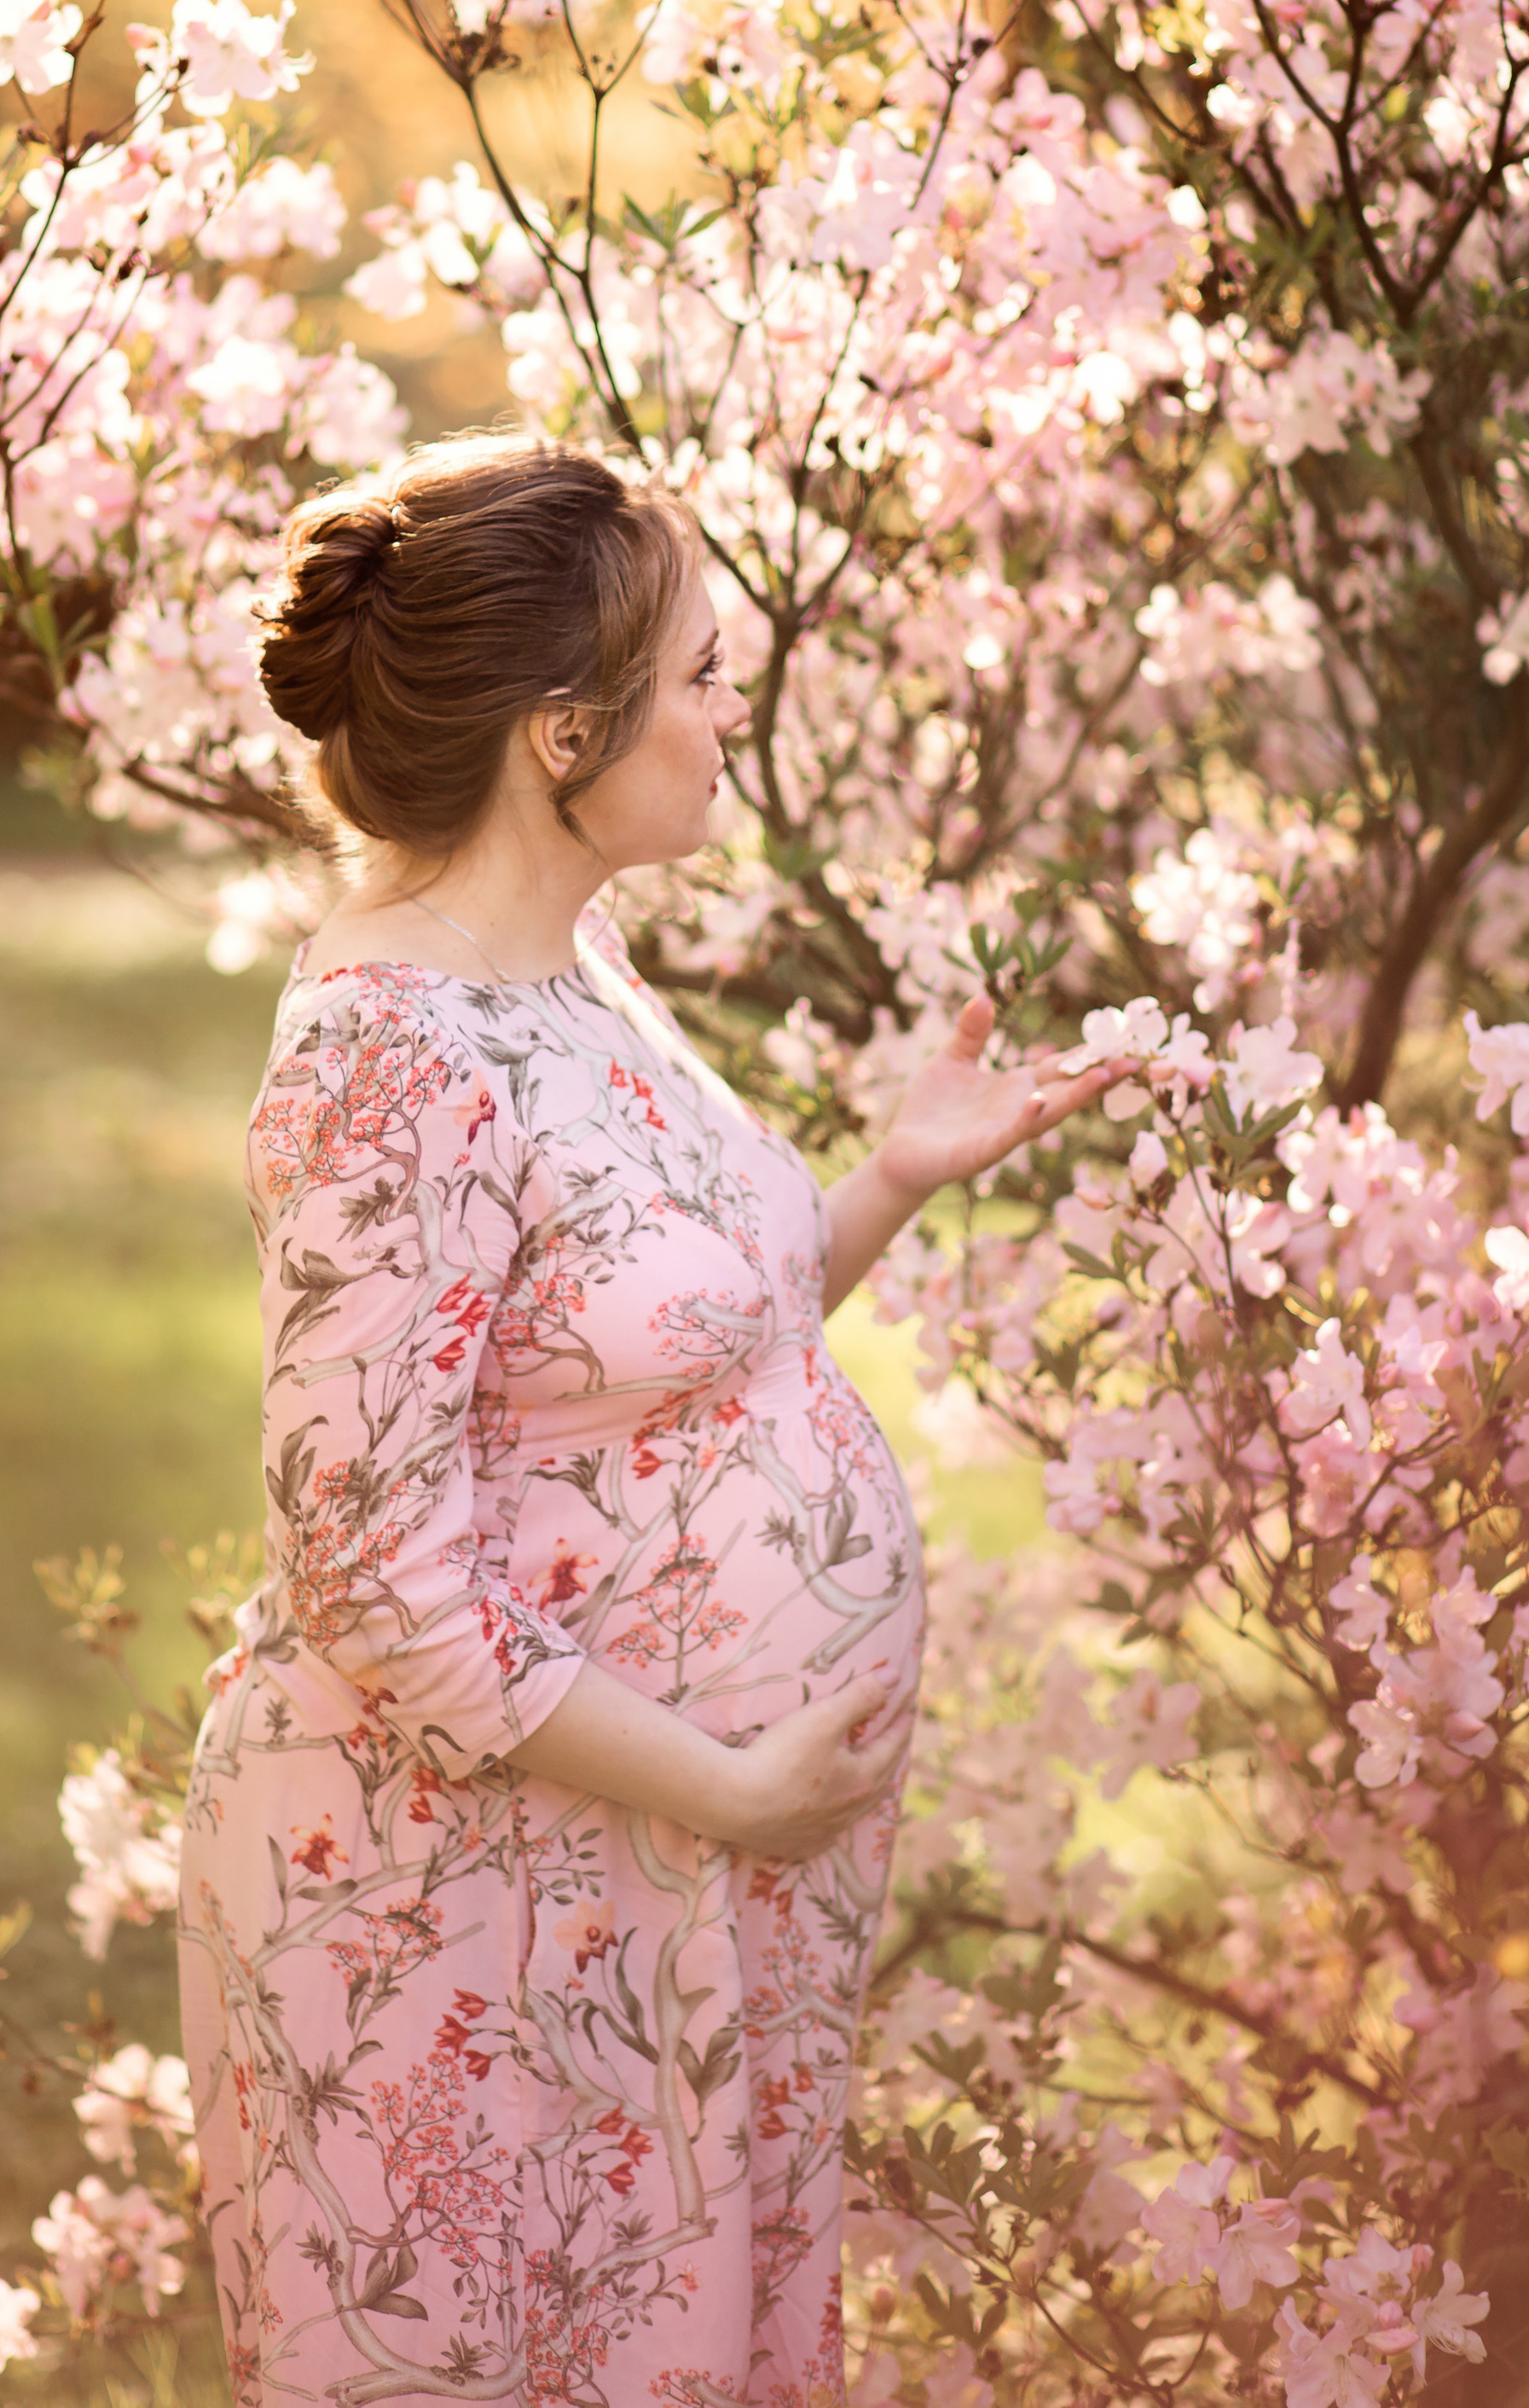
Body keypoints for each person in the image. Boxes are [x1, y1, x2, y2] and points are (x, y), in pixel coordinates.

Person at [177, 434, 1126, 2408]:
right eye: (699, 672)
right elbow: (364, 1572)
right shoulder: (387, 1055)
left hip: (643, 1887)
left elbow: (655, 1358)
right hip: (463, 1915)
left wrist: (880, 1182)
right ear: (556, 734)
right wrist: (725, 1791)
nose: (728, 710)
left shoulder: (571, 968)